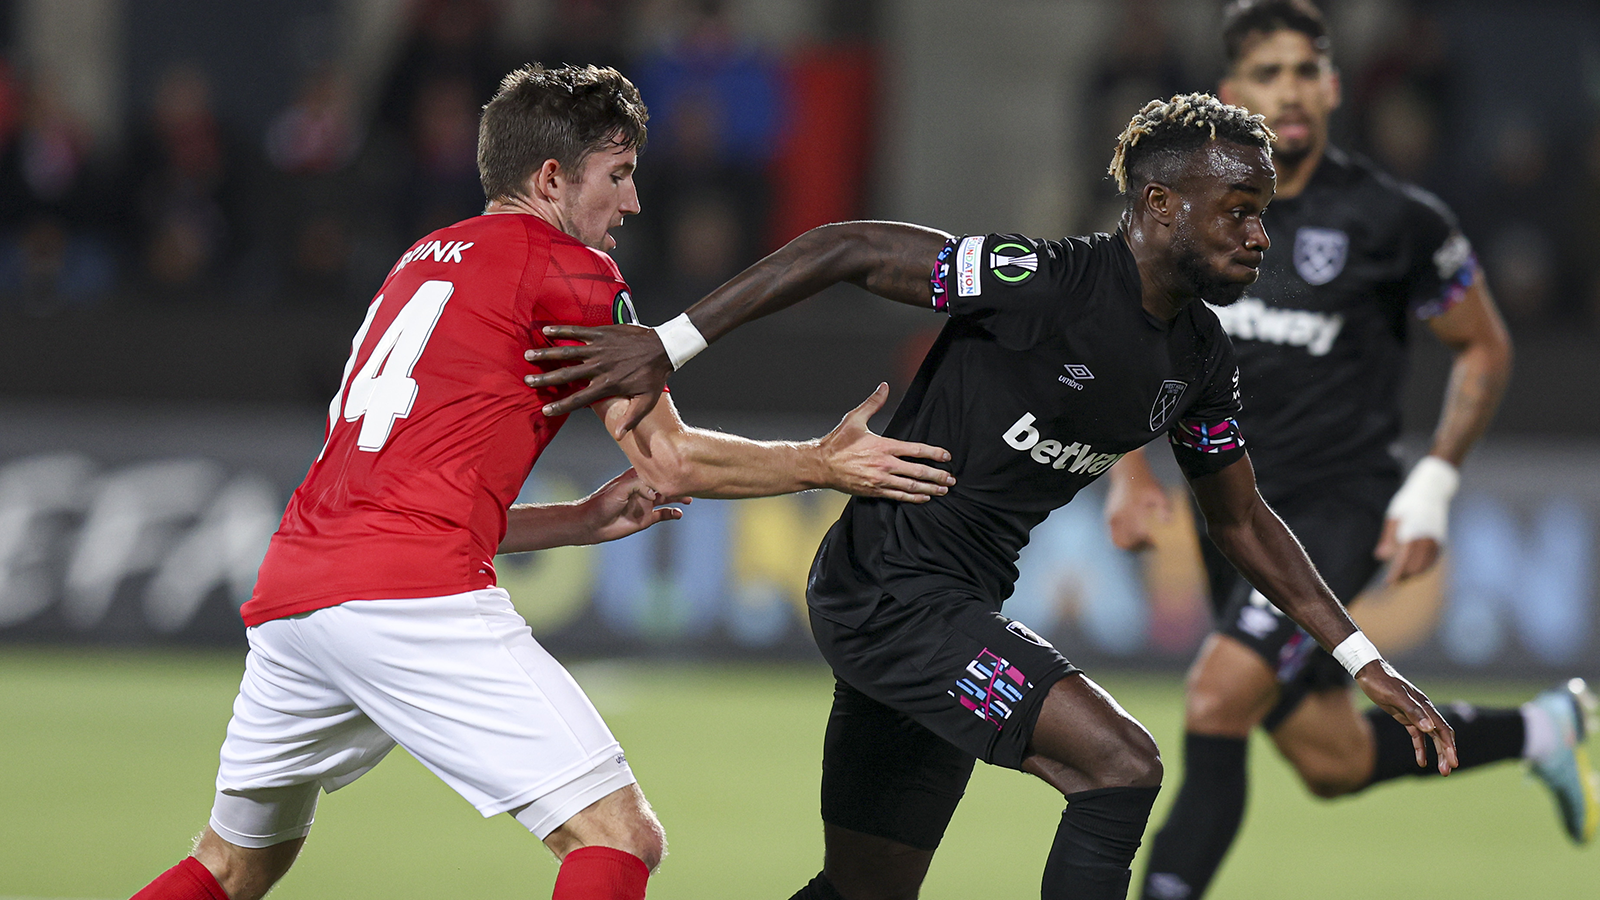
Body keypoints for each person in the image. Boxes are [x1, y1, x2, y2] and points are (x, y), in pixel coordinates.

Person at [522, 92, 1459, 900]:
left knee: (867, 890)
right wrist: (673, 342)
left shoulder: (1200, 358)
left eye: (1266, 211)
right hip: (889, 593)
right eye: (1240, 208)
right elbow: (848, 246)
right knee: (1121, 765)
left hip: (945, 606)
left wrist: (1360, 657)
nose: (1261, 232)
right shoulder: (1045, 282)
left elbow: (1241, 520)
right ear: (1162, 204)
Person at [128, 63, 957, 900]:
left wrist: (574, 520)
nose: (632, 204)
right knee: (617, 836)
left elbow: (400, 491)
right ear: (552, 178)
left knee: (230, 866)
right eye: (619, 175)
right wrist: (822, 461)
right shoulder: (569, 269)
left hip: (297, 592)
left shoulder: (421, 260)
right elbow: (669, 461)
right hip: (407, 595)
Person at [1094, 6, 1596, 898]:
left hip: (1332, 509)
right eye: (1266, 74)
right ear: (1230, 95)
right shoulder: (1194, 219)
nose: (1288, 90)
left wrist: (1434, 484)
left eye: (1302, 71)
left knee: (1215, 698)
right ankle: (1543, 731)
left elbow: (1483, 344)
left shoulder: (1395, 220)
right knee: (1331, 760)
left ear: (1330, 87)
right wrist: (1128, 471)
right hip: (1231, 517)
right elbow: (1125, 343)